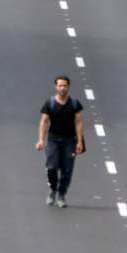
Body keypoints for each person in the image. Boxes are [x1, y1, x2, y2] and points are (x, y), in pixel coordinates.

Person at [36, 74, 85, 208]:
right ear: (56, 87)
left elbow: (79, 122)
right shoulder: (50, 103)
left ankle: (61, 194)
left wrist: (79, 142)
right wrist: (40, 139)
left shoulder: (74, 103)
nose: (62, 88)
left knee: (66, 170)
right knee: (52, 167)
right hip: (53, 140)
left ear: (68, 87)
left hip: (70, 141)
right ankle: (53, 189)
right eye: (60, 85)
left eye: (64, 85)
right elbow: (44, 122)